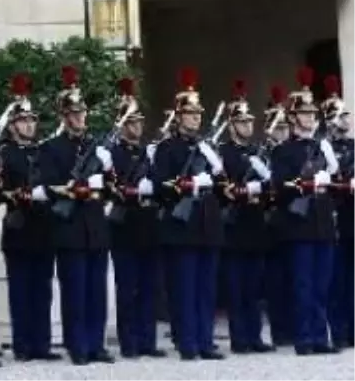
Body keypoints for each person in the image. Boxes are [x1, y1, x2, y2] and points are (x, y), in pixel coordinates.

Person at [36, 65, 112, 366]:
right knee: (75, 292)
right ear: (64, 117)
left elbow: (110, 188)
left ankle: (96, 344)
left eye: (82, 113)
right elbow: (47, 186)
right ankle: (77, 344)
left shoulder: (97, 147)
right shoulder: (51, 148)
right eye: (74, 114)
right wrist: (77, 188)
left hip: (95, 226)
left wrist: (105, 176)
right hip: (69, 228)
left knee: (97, 291)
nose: (80, 118)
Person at [152, 66, 226, 361]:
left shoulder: (207, 148)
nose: (196, 118)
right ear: (178, 117)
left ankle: (205, 341)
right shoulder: (167, 149)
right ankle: (187, 341)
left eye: (198, 114)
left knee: (207, 288)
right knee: (183, 287)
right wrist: (188, 184)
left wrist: (211, 179)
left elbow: (222, 183)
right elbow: (159, 185)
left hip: (207, 223)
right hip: (181, 225)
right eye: (190, 114)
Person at [270, 66, 339, 356]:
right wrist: (308, 183)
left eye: (312, 114)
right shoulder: (283, 150)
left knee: (322, 284)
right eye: (305, 114)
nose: (310, 118)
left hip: (323, 223)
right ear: (294, 117)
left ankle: (320, 336)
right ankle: (304, 338)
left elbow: (335, 180)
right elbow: (281, 186)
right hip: (299, 224)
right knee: (302, 284)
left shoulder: (323, 148)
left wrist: (330, 182)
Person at [0, 73, 58, 362]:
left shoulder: (44, 152)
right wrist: (17, 194)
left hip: (43, 228)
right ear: (12, 125)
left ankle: (42, 344)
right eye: (23, 120)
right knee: (20, 291)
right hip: (19, 227)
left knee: (42, 291)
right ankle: (22, 345)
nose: (29, 125)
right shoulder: (5, 153)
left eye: (32, 120)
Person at [107, 77, 166, 359]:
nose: (137, 126)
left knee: (149, 288)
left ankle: (147, 340)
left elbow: (160, 184)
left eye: (140, 121)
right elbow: (112, 187)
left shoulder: (147, 153)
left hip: (148, 225)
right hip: (125, 225)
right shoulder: (112, 153)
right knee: (128, 288)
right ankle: (129, 341)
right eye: (131, 122)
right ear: (121, 125)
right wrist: (132, 190)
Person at [217, 79, 274, 354]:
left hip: (254, 224)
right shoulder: (223, 153)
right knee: (236, 287)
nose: (248, 126)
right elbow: (223, 187)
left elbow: (270, 185)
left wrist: (258, 189)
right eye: (241, 122)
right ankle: (239, 338)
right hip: (234, 224)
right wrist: (244, 190)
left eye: (250, 121)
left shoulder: (256, 152)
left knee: (254, 287)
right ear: (231, 125)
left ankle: (255, 336)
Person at [324, 75, 355, 347]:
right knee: (337, 280)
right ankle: (339, 331)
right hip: (334, 218)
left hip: (353, 217)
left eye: (346, 114)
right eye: (341, 115)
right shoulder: (324, 149)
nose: (346, 119)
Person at [262, 83, 294, 347]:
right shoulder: (262, 152)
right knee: (274, 281)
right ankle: (280, 330)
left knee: (293, 277)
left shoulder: (292, 151)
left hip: (291, 220)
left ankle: (291, 328)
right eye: (278, 127)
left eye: (285, 127)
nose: (282, 132)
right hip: (267, 221)